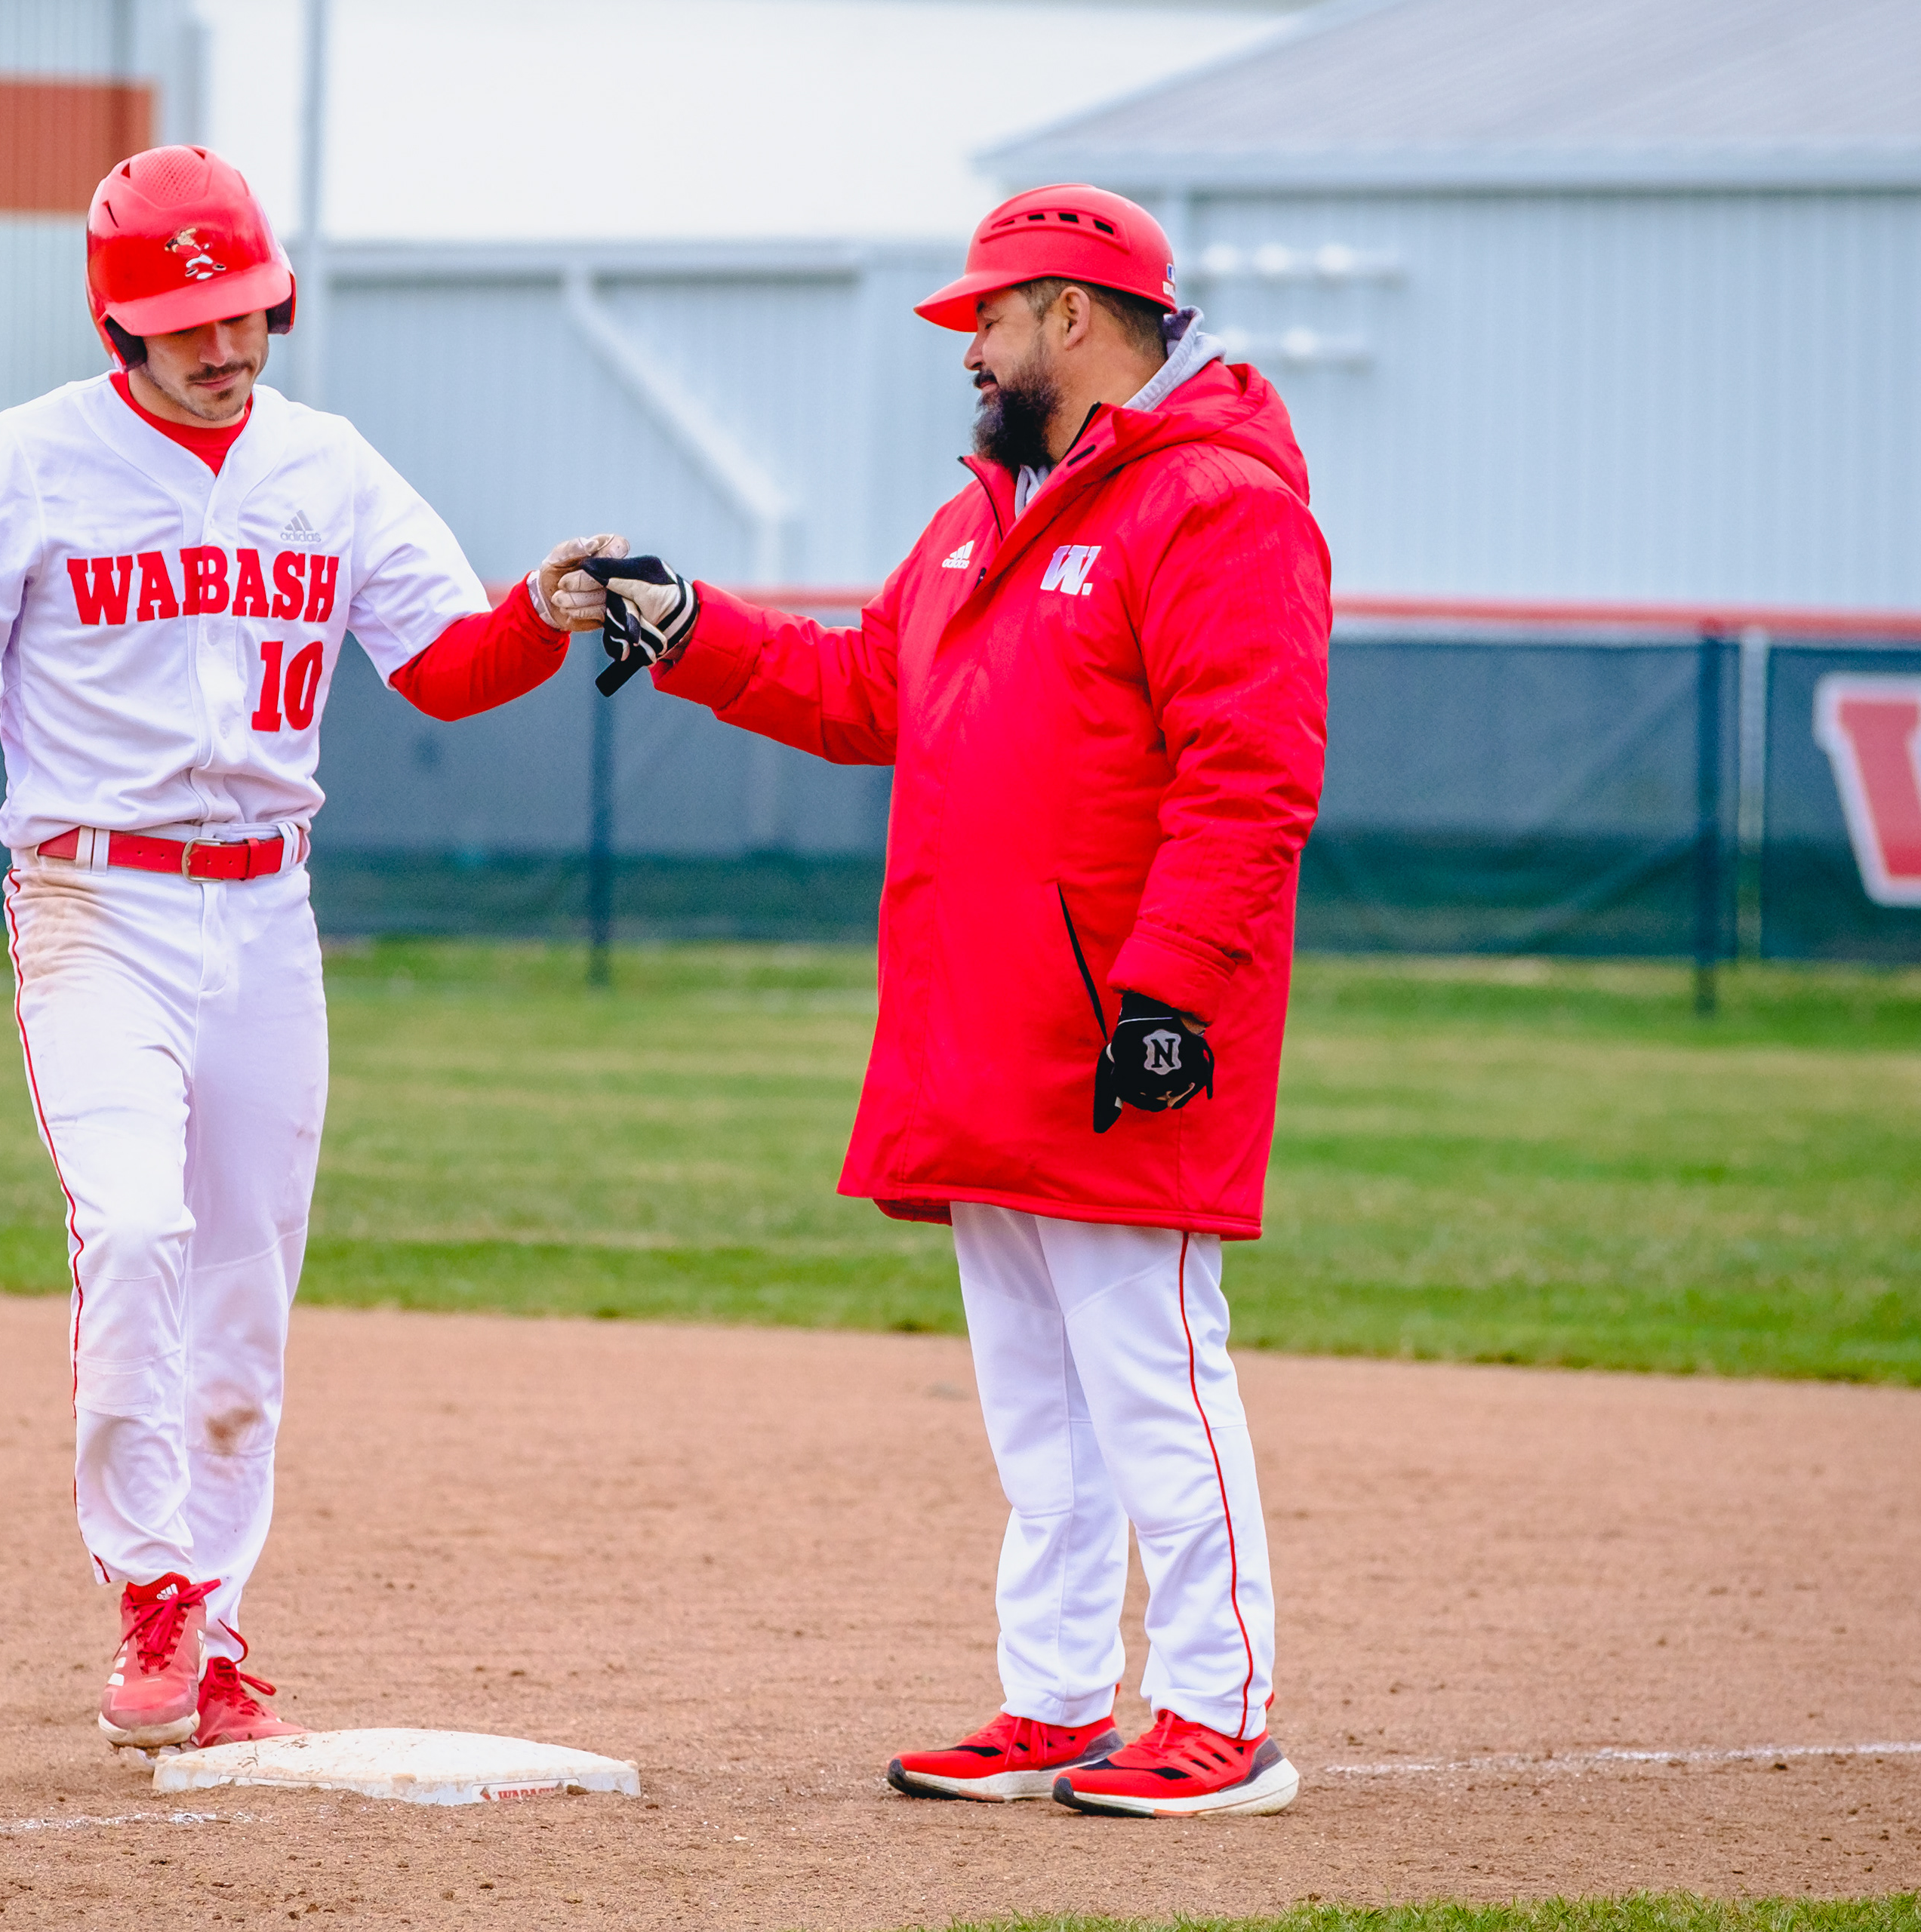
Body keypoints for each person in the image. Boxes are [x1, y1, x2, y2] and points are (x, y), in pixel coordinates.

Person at [0, 144, 615, 1752]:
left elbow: (448, 669)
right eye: (188, 318)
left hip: (267, 910)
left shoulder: (325, 465)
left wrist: (540, 608)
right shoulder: (32, 458)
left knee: (247, 1301)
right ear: (119, 325)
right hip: (92, 902)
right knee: (130, 1229)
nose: (223, 344)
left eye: (246, 310)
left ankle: (222, 1625)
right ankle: (149, 1586)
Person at [572, 184, 1329, 1817]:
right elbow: (864, 694)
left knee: (1152, 1373)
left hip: (1121, 1029)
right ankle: (1056, 1697)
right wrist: (693, 625)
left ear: (1070, 314)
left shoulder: (1213, 505)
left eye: (986, 317)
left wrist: (1175, 989)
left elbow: (1251, 776)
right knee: (1036, 1401)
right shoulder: (987, 516)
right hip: (983, 1026)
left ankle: (1219, 1705)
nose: (970, 349)